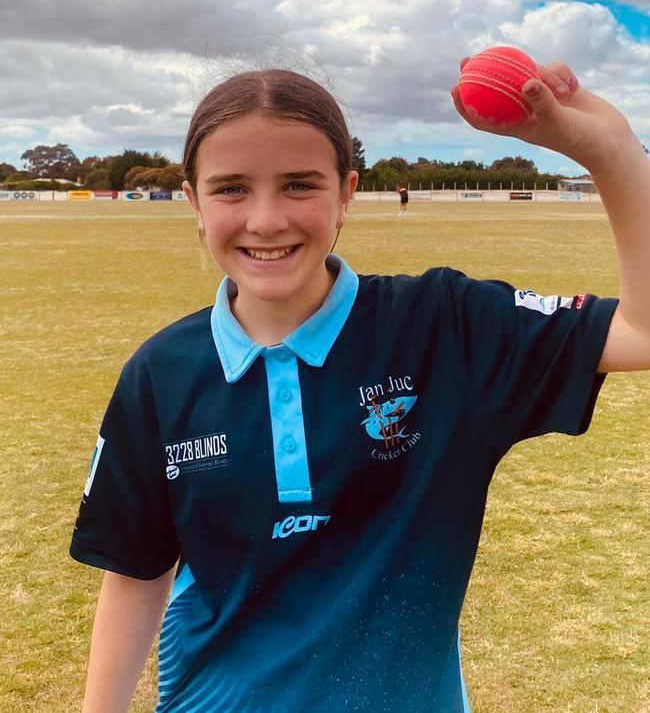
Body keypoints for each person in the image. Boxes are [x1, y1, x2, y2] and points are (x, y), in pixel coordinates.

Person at [70, 63, 650, 713]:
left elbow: (641, 332)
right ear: (195, 202)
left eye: (299, 185)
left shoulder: (443, 326)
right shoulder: (161, 373)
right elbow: (136, 575)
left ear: (346, 192)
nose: (265, 219)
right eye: (232, 188)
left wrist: (609, 148)